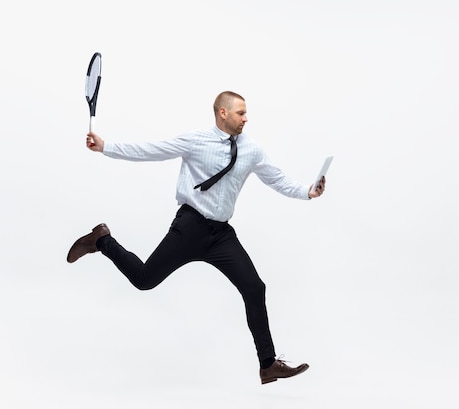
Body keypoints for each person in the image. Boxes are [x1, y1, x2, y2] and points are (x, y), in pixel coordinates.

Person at [67, 91, 326, 385]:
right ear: (222, 113)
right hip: (189, 227)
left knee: (254, 288)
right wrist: (106, 147)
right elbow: (152, 150)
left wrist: (308, 191)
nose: (246, 118)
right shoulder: (196, 140)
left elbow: (276, 178)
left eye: (246, 112)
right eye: (241, 113)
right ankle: (102, 240)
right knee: (143, 280)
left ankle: (267, 365)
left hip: (221, 235)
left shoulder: (251, 149)